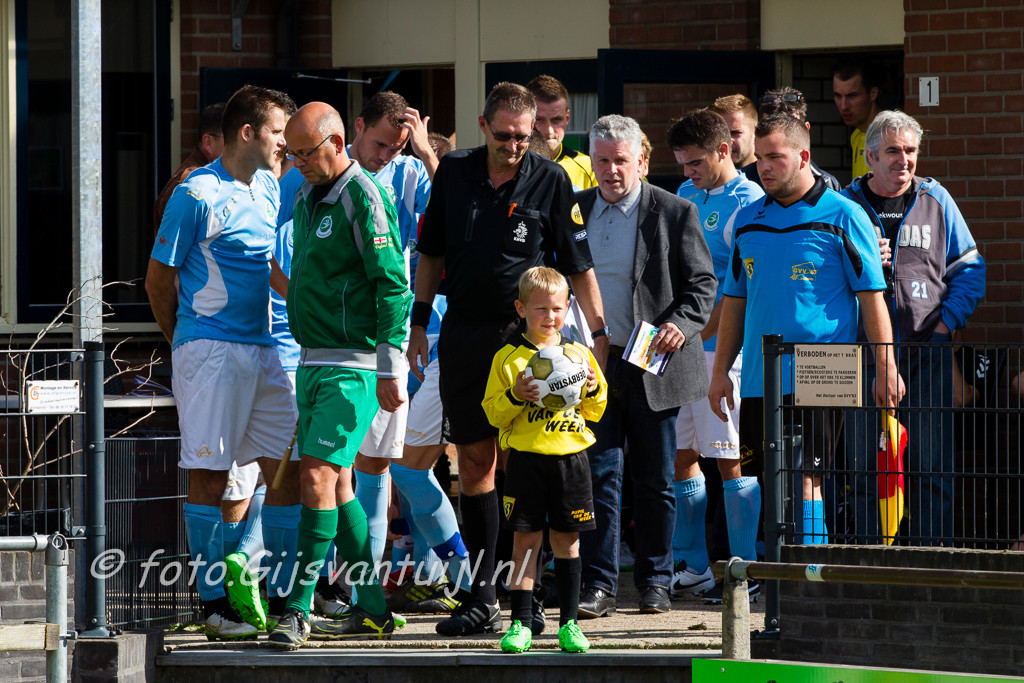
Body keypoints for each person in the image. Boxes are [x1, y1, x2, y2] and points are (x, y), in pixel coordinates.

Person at [410, 81, 607, 637]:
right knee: (474, 464)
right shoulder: (454, 171)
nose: (515, 146)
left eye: (523, 136)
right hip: (465, 335)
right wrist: (419, 324)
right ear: (483, 125)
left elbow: (578, 264)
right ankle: (483, 594)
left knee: (526, 465)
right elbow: (431, 253)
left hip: (528, 342)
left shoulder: (551, 179)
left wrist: (598, 333)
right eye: (504, 136)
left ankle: (529, 597)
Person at [709, 115, 903, 570]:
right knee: (769, 479)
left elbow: (872, 299)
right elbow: (734, 302)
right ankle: (779, 583)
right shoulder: (748, 221)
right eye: (759, 159)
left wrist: (886, 368)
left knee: (807, 478)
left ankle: (808, 585)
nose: (764, 168)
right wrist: (720, 372)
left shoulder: (844, 214)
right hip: (761, 373)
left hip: (826, 364)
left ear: (803, 157)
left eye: (775, 157)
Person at [146, 85, 299, 641]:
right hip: (209, 351)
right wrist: (183, 342)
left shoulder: (269, 185)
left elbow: (267, 266)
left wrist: (304, 306)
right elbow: (157, 281)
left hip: (264, 349)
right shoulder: (195, 193)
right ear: (247, 132)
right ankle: (214, 604)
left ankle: (272, 591)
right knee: (211, 477)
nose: (285, 142)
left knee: (289, 467)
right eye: (278, 132)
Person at [266, 101, 411, 649]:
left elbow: (392, 284)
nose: (297, 163)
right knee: (340, 483)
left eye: (306, 153)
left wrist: (390, 366)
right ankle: (372, 609)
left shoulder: (364, 195)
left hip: (352, 366)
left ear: (336, 142)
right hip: (312, 361)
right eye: (292, 154)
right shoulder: (307, 195)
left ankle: (297, 609)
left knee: (315, 479)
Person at [576, 114, 716, 619]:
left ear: (642, 160)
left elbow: (703, 285)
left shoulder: (675, 211)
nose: (611, 170)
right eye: (602, 161)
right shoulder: (576, 210)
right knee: (599, 475)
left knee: (655, 478)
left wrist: (680, 323)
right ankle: (599, 585)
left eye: (621, 160)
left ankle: (656, 581)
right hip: (594, 363)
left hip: (653, 360)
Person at [841, 110, 985, 544]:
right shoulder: (845, 206)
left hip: (927, 354)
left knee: (932, 469)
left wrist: (944, 327)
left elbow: (970, 270)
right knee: (866, 469)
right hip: (864, 357)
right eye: (892, 151)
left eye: (910, 150)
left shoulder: (936, 200)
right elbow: (822, 278)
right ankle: (873, 562)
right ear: (870, 157)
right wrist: (863, 262)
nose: (903, 160)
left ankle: (928, 563)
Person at [343, 91, 440, 597]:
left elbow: (452, 213)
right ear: (358, 126)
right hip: (333, 340)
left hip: (390, 334)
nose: (386, 156)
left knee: (378, 463)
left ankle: (365, 591)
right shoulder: (320, 169)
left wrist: (423, 152)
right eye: (380, 144)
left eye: (396, 148)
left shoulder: (411, 171)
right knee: (326, 467)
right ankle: (314, 586)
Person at [665, 110, 764, 601]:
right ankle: (694, 567)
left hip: (719, 353)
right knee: (682, 454)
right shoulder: (686, 194)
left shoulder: (750, 202)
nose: (688, 173)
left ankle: (744, 573)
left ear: (724, 151)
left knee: (729, 459)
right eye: (682, 165)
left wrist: (695, 333)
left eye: (696, 162)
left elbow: (735, 287)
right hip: (681, 347)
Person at [482, 266, 607, 654]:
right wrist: (516, 395)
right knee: (525, 543)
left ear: (567, 308)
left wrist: (591, 387)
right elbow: (493, 413)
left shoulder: (579, 355)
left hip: (571, 461)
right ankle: (520, 623)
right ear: (521, 309)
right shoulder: (508, 358)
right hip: (526, 461)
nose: (549, 316)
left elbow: (597, 410)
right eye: (540, 309)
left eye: (556, 308)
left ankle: (569, 625)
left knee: (568, 543)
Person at [740, 87, 841, 193]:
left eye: (790, 128)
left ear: (806, 129)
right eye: (769, 128)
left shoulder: (828, 184)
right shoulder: (741, 185)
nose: (779, 137)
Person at [153, 102, 226, 233]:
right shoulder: (189, 186)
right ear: (208, 142)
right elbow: (173, 244)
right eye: (230, 140)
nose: (239, 148)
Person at [526, 74, 597, 189]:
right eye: (539, 120)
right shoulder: (509, 166)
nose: (549, 131)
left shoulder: (590, 167)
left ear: (567, 118)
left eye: (556, 120)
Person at [833, 62, 881, 180]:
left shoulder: (888, 137)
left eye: (852, 96)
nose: (843, 106)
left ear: (873, 94)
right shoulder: (856, 135)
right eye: (838, 96)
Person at [708, 94, 758, 171]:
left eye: (735, 133)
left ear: (755, 133)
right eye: (720, 134)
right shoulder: (700, 177)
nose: (727, 141)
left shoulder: (769, 175)